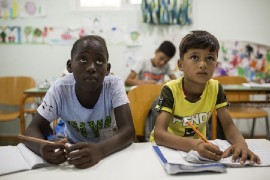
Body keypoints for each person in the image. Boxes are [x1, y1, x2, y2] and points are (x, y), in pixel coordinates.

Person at [150, 30, 260, 165]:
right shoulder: (170, 90)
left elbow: (229, 125)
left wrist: (241, 144)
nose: (203, 64)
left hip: (197, 152)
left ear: (216, 65)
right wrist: (194, 145)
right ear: (180, 65)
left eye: (210, 58)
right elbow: (159, 135)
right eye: (195, 57)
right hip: (166, 149)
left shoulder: (216, 88)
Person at [24, 35, 135, 169]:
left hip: (110, 149)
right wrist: (42, 148)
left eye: (99, 61)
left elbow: (128, 130)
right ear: (70, 66)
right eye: (83, 59)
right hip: (72, 150)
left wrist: (100, 150)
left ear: (107, 69)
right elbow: (32, 128)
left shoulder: (114, 85)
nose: (91, 67)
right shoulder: (60, 89)